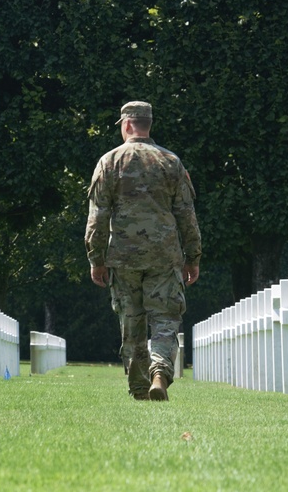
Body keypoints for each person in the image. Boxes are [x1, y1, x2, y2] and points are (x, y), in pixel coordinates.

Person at [85, 101, 201, 401]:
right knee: (164, 318)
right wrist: (193, 257)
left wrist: (96, 260)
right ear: (149, 125)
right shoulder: (171, 162)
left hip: (123, 257)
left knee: (132, 321)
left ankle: (138, 387)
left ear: (126, 125)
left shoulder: (109, 162)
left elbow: (97, 217)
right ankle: (160, 371)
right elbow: (187, 215)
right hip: (164, 254)